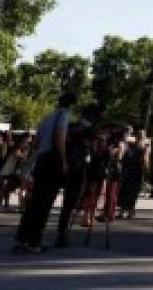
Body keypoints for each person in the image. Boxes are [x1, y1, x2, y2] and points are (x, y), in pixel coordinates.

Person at [14, 91, 75, 253]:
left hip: (42, 158)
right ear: (71, 105)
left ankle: (22, 237)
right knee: (45, 202)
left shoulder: (47, 117)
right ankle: (35, 240)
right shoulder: (64, 116)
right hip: (52, 159)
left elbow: (36, 142)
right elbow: (59, 137)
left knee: (35, 201)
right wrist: (63, 160)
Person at [55, 104, 96, 248]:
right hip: (77, 167)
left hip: (66, 164)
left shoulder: (71, 126)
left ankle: (62, 231)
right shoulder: (89, 130)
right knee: (71, 201)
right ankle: (62, 234)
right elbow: (94, 147)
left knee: (67, 203)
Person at [119, 131, 149, 219]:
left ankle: (123, 210)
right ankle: (130, 211)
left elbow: (123, 159)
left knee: (125, 191)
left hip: (127, 172)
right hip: (136, 172)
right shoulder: (143, 149)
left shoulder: (130, 146)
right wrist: (147, 171)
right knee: (133, 192)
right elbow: (144, 161)